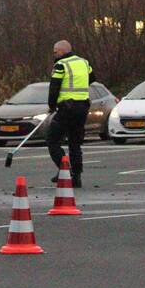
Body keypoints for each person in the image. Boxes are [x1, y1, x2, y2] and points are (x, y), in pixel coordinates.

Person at [46, 40, 95, 188]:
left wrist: (52, 105)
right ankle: (76, 176)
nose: (54, 54)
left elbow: (54, 87)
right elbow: (92, 78)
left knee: (52, 140)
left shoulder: (61, 65)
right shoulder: (84, 62)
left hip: (67, 108)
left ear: (62, 51)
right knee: (75, 142)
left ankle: (64, 169)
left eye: (55, 51)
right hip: (83, 107)